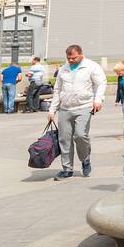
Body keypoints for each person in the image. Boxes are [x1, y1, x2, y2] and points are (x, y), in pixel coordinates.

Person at [48, 44, 106, 180]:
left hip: (85, 106)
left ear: (81, 54)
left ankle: (85, 159)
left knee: (80, 135)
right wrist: (52, 110)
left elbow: (101, 83)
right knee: (64, 139)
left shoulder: (91, 66)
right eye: (69, 58)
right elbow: (57, 90)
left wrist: (98, 100)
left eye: (73, 58)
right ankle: (67, 169)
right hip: (65, 108)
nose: (71, 60)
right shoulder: (63, 69)